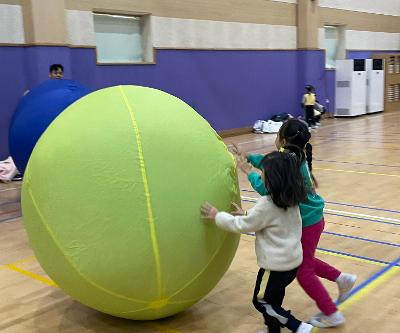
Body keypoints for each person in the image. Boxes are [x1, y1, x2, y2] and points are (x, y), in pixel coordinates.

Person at [232, 119, 356, 328]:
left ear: (282, 139)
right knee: (303, 259)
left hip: (306, 223)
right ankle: (341, 278)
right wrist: (250, 157)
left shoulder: (285, 160)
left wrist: (248, 171)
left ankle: (332, 313)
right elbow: (271, 161)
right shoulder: (294, 155)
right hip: (313, 219)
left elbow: (268, 190)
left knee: (302, 270)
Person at [201, 151, 315, 333]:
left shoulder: (267, 204)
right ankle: (273, 330)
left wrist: (218, 216)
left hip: (275, 266)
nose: (261, 174)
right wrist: (248, 213)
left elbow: (242, 225)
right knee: (274, 299)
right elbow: (272, 221)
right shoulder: (291, 198)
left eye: (264, 172)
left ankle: (296, 326)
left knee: (261, 300)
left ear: (273, 179)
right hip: (292, 263)